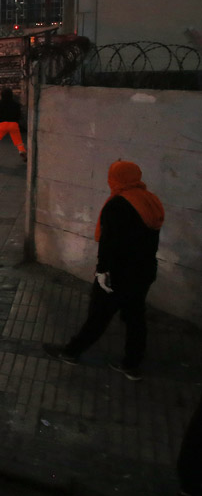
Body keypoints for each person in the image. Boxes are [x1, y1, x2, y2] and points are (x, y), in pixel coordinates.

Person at [44, 160, 164, 381]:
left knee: (98, 317)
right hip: (144, 270)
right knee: (135, 317)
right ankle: (132, 365)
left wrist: (102, 272)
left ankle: (70, 351)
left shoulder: (118, 204)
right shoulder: (150, 200)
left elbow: (109, 243)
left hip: (118, 273)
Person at [0, 88, 27, 165]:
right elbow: (19, 115)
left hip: (2, 125)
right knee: (18, 141)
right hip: (14, 124)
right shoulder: (16, 104)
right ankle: (21, 151)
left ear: (2, 95)